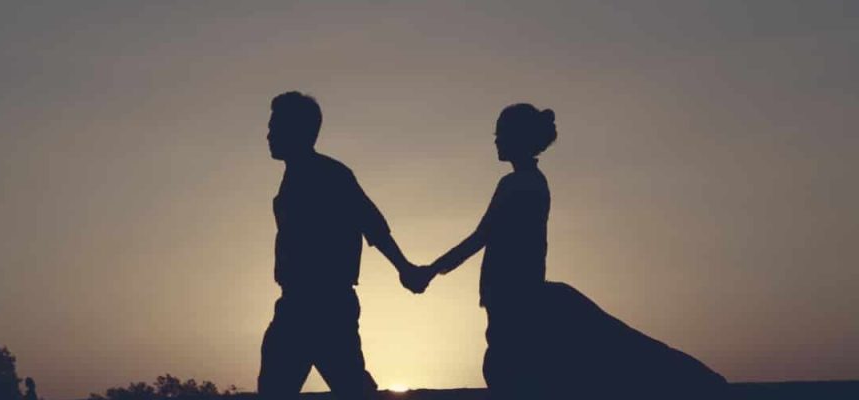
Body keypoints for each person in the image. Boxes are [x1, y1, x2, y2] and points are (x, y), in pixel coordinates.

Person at [406, 104, 727, 399]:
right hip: (513, 292)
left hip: (514, 294)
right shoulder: (530, 182)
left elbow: (482, 238)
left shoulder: (518, 185)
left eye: (500, 134)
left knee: (514, 373)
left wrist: (431, 271)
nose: (495, 141)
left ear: (515, 138)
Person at [259, 91, 427, 400]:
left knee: (334, 384)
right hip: (297, 303)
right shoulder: (294, 178)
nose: (268, 134)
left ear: (297, 131)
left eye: (275, 126)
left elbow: (372, 224)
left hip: (325, 305)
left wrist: (404, 268)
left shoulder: (331, 175)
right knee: (283, 385)